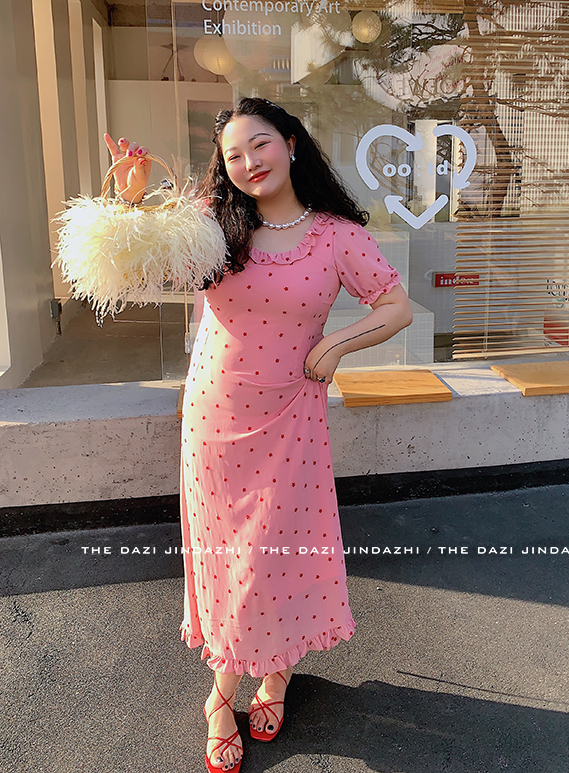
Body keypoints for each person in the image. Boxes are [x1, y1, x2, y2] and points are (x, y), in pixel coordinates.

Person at [104, 97, 412, 773]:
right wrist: (133, 202)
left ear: (291, 143)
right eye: (234, 155)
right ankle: (222, 697)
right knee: (230, 562)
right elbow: (137, 268)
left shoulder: (336, 236)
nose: (249, 163)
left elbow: (395, 306)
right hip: (216, 420)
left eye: (260, 144)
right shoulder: (212, 223)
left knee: (277, 556)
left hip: (292, 418)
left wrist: (335, 345)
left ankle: (276, 672)